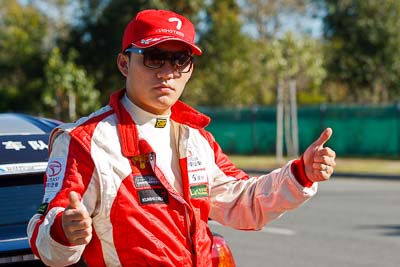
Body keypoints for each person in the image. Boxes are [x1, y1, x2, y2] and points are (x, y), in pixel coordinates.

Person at [27, 9, 336, 267]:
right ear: (124, 63)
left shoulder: (196, 138)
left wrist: (300, 174)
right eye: (154, 57)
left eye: (179, 60)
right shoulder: (85, 141)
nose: (168, 72)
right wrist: (64, 231)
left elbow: (244, 202)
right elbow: (47, 239)